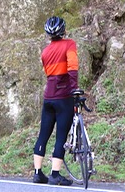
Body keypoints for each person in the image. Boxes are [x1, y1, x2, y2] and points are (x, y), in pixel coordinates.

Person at [32, 16, 78, 186]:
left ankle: (37, 173)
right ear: (64, 30)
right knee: (60, 136)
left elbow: (48, 72)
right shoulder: (69, 44)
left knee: (43, 134)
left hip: (48, 97)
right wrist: (74, 89)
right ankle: (55, 175)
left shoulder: (45, 52)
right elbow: (72, 67)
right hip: (64, 96)